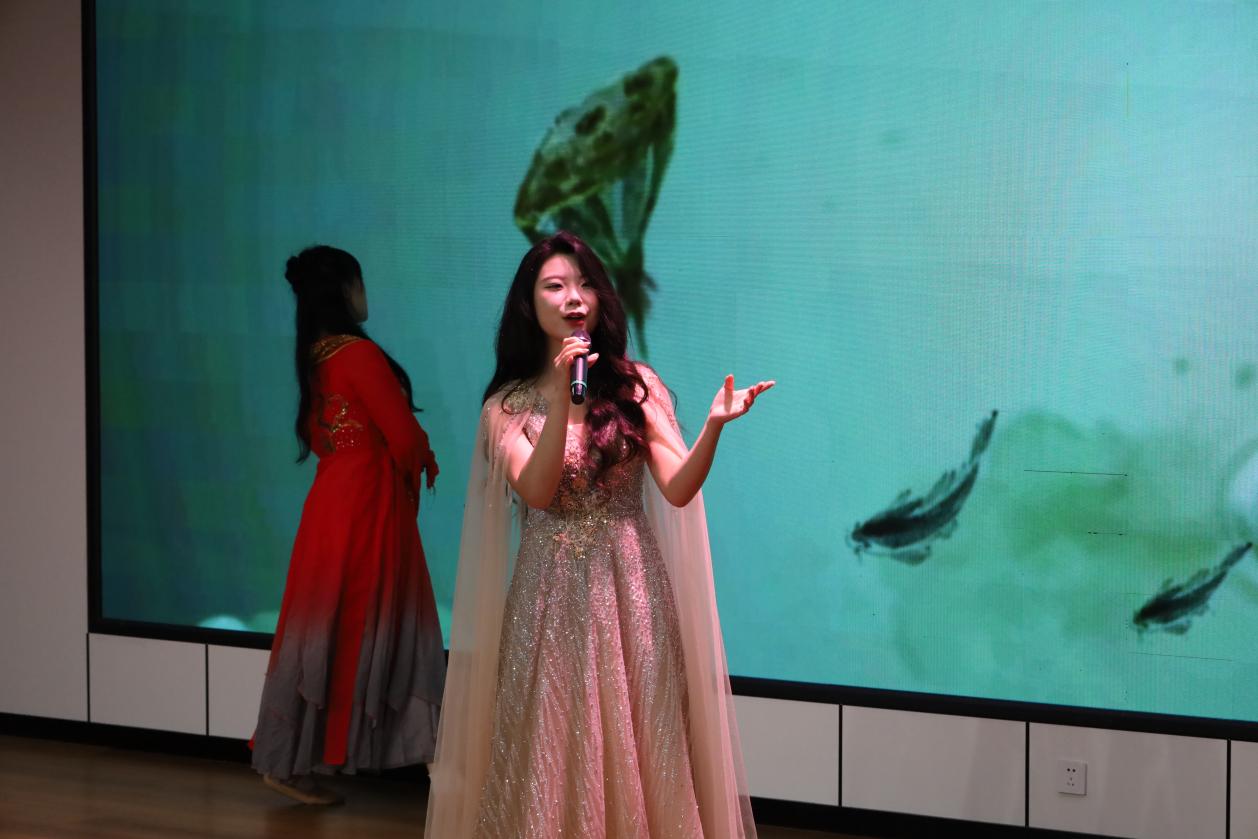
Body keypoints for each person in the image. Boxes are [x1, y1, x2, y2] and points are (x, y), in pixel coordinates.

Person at [425, 231, 772, 837]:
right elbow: (538, 491)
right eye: (555, 286)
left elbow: (678, 488)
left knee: (645, 737)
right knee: (554, 737)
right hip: (549, 595)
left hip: (632, 588)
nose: (574, 298)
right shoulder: (506, 406)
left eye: (585, 284)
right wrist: (564, 397)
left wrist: (713, 428)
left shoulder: (637, 386)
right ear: (528, 304)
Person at [251, 245, 445, 805]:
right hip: (368, 506)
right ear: (344, 289)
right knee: (381, 620)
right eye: (360, 282)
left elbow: (323, 438)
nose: (365, 293)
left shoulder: (315, 356)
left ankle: (291, 760)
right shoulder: (358, 354)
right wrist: (421, 461)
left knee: (325, 625)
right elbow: (403, 437)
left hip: (332, 502)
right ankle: (437, 767)